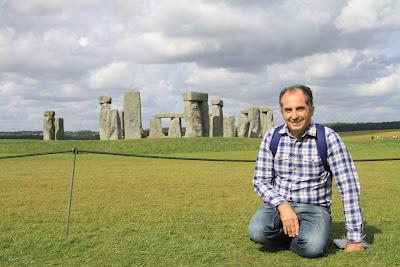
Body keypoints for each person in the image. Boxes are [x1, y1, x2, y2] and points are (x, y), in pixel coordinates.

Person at [248, 85, 364, 258]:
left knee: (313, 248)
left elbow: (348, 186)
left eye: (300, 108)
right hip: (278, 205)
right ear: (282, 111)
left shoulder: (329, 138)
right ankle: (302, 234)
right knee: (257, 231)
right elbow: (260, 180)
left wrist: (354, 239)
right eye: (288, 110)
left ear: (311, 109)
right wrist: (283, 205)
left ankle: (310, 236)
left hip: (315, 208)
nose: (294, 116)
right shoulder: (272, 137)